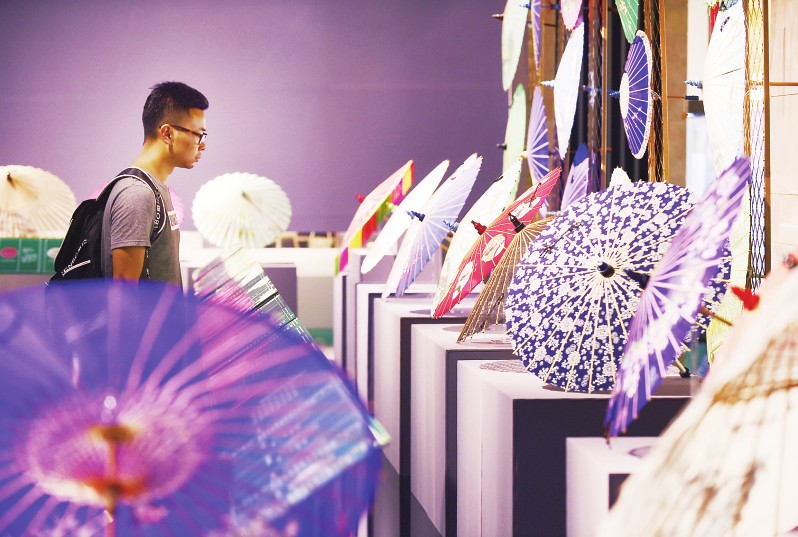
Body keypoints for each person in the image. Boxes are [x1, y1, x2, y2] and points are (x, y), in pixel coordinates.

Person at [100, 81, 208, 285]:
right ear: (167, 134)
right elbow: (123, 289)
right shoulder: (137, 194)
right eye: (198, 135)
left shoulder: (155, 189)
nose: (202, 146)